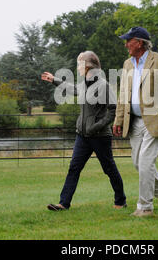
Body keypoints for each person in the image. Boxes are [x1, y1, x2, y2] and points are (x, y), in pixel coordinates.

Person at [41, 51, 127, 211]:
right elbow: (71, 88)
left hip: (100, 137)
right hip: (83, 136)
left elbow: (113, 111)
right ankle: (63, 203)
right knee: (74, 168)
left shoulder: (104, 86)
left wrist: (96, 126)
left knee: (109, 169)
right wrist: (54, 80)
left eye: (80, 64)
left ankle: (120, 200)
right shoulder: (84, 84)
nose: (78, 67)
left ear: (88, 66)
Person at [113, 27, 158, 217]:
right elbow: (123, 94)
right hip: (133, 121)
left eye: (129, 41)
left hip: (155, 119)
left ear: (140, 42)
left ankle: (145, 207)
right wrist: (118, 119)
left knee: (144, 163)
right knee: (138, 163)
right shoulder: (127, 64)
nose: (126, 44)